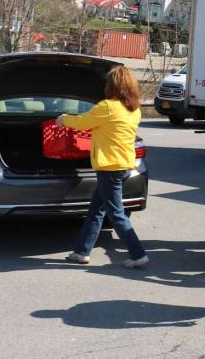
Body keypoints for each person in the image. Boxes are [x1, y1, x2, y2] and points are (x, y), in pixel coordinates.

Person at [58, 66, 148, 269]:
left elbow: (82, 123)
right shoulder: (133, 109)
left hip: (110, 167)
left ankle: (138, 254)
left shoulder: (108, 106)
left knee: (116, 214)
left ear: (113, 85)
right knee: (96, 210)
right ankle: (82, 252)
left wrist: (63, 119)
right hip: (124, 165)